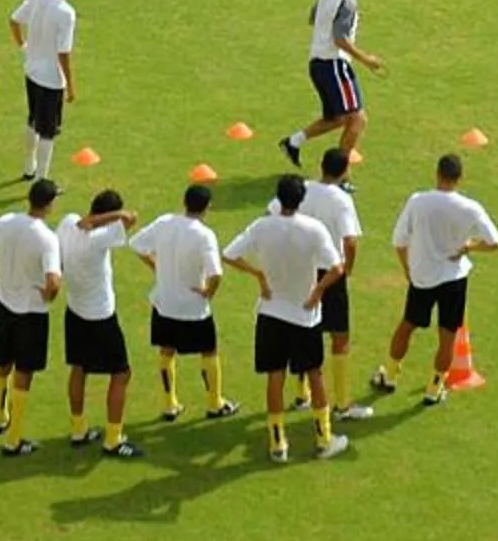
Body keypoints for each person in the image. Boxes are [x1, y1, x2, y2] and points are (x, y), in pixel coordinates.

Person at [223, 175, 348, 464]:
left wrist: (259, 276)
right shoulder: (313, 229)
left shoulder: (262, 226)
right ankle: (323, 438)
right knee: (314, 374)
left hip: (271, 312)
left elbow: (229, 254)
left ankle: (277, 443)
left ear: (278, 199)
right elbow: (337, 268)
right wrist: (317, 291)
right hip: (304, 315)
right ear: (301, 199)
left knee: (274, 375)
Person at [372, 152, 498, 407]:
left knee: (407, 325)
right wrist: (468, 247)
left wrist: (407, 269)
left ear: (437, 173)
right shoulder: (470, 207)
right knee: (448, 335)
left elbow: (399, 241)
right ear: (460, 178)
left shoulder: (418, 201)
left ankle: (390, 375)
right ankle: (434, 388)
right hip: (454, 278)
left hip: (422, 277)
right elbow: (495, 242)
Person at [0, 178, 62, 457]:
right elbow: (54, 282)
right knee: (24, 372)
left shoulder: (7, 221)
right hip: (31, 314)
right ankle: (14, 439)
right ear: (50, 204)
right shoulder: (47, 238)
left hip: (4, 307)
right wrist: (49, 296)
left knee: (1, 364)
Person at [130, 183, 237, 422]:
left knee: (167, 350)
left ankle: (169, 405)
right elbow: (216, 273)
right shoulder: (204, 234)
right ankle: (215, 403)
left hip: (164, 302)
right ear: (207, 207)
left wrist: (156, 266)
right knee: (209, 351)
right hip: (193, 308)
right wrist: (208, 292)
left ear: (184, 201)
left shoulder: (164, 222)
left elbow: (136, 244)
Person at [59, 188, 141, 459]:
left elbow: (82, 221)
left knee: (79, 368)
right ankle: (113, 439)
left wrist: (92, 219)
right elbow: (131, 218)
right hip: (101, 316)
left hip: (74, 310)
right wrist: (111, 216)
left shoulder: (68, 223)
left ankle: (78, 429)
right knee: (121, 373)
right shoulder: (99, 238)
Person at [281, 0, 382, 169]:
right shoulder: (348, 1)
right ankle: (339, 175)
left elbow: (313, 18)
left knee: (338, 117)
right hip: (334, 64)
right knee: (357, 119)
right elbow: (340, 39)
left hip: (316, 62)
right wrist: (367, 60)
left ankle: (293, 142)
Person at [296, 144, 370, 420]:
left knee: (304, 329)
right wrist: (348, 269)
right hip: (330, 272)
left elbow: (274, 212)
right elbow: (350, 241)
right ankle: (341, 404)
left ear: (321, 165)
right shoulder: (341, 200)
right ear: (345, 170)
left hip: (301, 271)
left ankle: (301, 393)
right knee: (339, 335)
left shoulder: (302, 188)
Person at [11, 0, 81, 182]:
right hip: (50, 79)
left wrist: (23, 46)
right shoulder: (66, 12)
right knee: (48, 130)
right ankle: (42, 180)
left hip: (31, 71)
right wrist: (70, 84)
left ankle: (28, 167)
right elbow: (63, 52)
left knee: (33, 119)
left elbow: (14, 20)